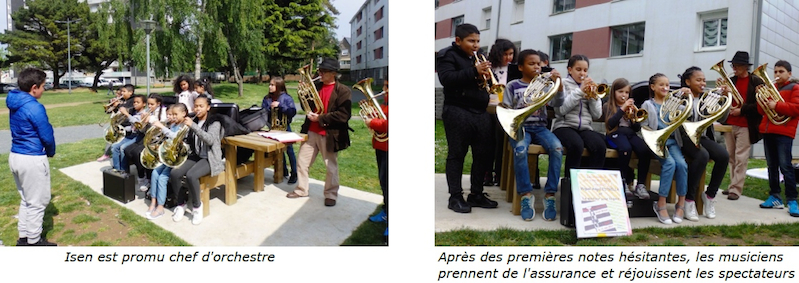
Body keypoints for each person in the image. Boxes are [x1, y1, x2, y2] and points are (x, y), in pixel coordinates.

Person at [436, 23, 498, 213]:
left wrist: (488, 76)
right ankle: (455, 197)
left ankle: (476, 194)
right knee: (457, 154)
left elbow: (490, 81)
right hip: (457, 110)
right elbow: (447, 79)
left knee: (483, 154)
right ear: (458, 40)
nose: (476, 45)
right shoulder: (447, 55)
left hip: (480, 111)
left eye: (478, 41)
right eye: (471, 41)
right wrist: (474, 71)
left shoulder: (479, 58)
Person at [504, 49, 563, 221]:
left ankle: (550, 194)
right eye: (531, 64)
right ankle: (526, 195)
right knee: (521, 150)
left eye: (538, 63)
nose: (536, 67)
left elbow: (558, 104)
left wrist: (559, 87)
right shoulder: (513, 85)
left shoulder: (546, 84)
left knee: (557, 148)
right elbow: (507, 109)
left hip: (540, 128)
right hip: (520, 127)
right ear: (521, 67)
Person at [287, 57, 352, 207]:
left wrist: (321, 118)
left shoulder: (343, 91)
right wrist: (301, 93)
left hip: (329, 134)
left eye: (323, 71)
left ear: (334, 73)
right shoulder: (315, 86)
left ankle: (331, 194)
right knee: (302, 162)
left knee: (331, 167)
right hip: (311, 132)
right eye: (319, 71)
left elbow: (343, 115)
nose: (320, 73)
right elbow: (306, 106)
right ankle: (302, 189)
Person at [7, 67, 56, 246]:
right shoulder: (34, 107)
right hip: (31, 158)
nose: (44, 90)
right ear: (34, 87)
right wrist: (50, 151)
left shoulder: (15, 101)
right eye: (43, 86)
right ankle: (34, 242)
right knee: (37, 202)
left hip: (16, 155)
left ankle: (24, 237)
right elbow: (46, 134)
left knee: (27, 199)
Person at [679, 67, 729, 221]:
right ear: (688, 82)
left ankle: (710, 195)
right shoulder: (680, 96)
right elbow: (678, 119)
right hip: (684, 137)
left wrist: (726, 99)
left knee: (723, 156)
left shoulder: (706, 98)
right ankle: (689, 199)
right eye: (698, 80)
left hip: (702, 137)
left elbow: (722, 118)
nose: (702, 83)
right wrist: (684, 98)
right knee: (702, 155)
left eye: (704, 80)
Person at [641, 73, 689, 225]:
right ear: (653, 87)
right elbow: (644, 126)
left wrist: (688, 97)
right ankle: (661, 203)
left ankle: (680, 203)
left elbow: (690, 113)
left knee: (682, 165)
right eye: (661, 85)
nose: (665, 87)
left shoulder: (674, 103)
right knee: (670, 164)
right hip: (656, 142)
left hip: (672, 142)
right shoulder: (648, 105)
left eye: (667, 85)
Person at [169, 96, 224, 225]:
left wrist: (193, 126)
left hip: (210, 157)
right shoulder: (194, 119)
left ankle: (197, 207)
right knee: (175, 173)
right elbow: (191, 140)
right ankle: (181, 204)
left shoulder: (214, 122)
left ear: (208, 107)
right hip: (195, 155)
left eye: (201, 106)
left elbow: (210, 140)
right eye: (196, 106)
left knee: (191, 175)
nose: (198, 109)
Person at [552, 54, 606, 178]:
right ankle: (570, 184)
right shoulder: (562, 84)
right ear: (569, 70)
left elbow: (597, 115)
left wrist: (594, 97)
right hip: (564, 126)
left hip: (585, 128)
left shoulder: (590, 86)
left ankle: (590, 183)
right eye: (578, 69)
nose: (582, 73)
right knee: (576, 145)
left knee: (599, 146)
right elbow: (561, 110)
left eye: (585, 70)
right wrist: (580, 92)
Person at [757, 60, 799, 216]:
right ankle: (775, 196)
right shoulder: (772, 88)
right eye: (775, 72)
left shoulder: (795, 88)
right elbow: (761, 111)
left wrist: (777, 106)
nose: (777, 74)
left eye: (781, 71)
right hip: (769, 131)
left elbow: (796, 108)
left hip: (784, 132)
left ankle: (792, 200)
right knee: (771, 166)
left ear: (789, 73)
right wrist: (761, 96)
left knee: (785, 166)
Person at [722, 51, 765, 200]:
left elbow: (761, 105)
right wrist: (723, 93)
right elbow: (723, 102)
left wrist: (741, 110)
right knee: (731, 157)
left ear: (745, 66)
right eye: (733, 66)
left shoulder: (756, 81)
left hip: (746, 124)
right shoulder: (731, 81)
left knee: (741, 157)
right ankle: (733, 185)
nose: (734, 68)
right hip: (729, 124)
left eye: (737, 66)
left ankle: (736, 189)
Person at [603, 78, 651, 200]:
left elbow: (636, 128)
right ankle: (623, 181)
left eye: (626, 92)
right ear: (614, 92)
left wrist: (634, 118)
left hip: (630, 134)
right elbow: (611, 124)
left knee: (644, 150)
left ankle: (640, 184)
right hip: (615, 133)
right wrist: (622, 109)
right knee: (625, 149)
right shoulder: (608, 106)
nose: (624, 95)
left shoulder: (632, 107)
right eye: (621, 92)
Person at [483, 39, 519, 187]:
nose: (509, 57)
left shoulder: (514, 69)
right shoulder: (490, 67)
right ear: (498, 54)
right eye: (505, 54)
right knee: (487, 142)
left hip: (505, 109)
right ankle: (486, 172)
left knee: (500, 144)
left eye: (511, 54)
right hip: (489, 107)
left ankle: (499, 173)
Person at [146, 103, 189, 220]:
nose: (173, 117)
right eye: (172, 114)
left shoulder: (185, 125)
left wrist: (162, 127)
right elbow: (167, 138)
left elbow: (176, 138)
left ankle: (160, 207)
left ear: (184, 114)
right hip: (169, 156)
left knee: (163, 177)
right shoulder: (173, 124)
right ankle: (153, 202)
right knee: (155, 172)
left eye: (176, 114)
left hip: (178, 158)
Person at [125, 93, 168, 191]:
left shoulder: (164, 112)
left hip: (158, 140)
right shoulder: (147, 112)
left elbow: (163, 126)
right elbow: (142, 131)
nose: (149, 106)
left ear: (158, 104)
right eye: (148, 104)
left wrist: (151, 120)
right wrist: (142, 124)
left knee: (138, 153)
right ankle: (142, 175)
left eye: (152, 104)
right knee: (128, 151)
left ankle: (145, 178)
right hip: (147, 138)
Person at [262, 76, 298, 184]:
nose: (270, 87)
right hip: (272, 128)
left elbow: (292, 111)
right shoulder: (267, 98)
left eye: (272, 85)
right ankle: (283, 171)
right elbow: (263, 111)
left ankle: (294, 173)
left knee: (289, 151)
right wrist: (269, 108)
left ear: (278, 86)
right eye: (270, 84)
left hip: (284, 128)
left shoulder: (286, 98)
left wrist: (280, 106)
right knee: (278, 151)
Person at [365, 77, 389, 236]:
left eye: (388, 87)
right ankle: (386, 211)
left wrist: (371, 122)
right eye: (384, 86)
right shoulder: (385, 105)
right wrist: (370, 114)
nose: (384, 89)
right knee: (384, 181)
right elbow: (379, 118)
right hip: (381, 147)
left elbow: (387, 124)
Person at [97, 87, 133, 162]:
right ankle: (107, 154)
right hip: (116, 122)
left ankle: (110, 156)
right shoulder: (120, 100)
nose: (119, 94)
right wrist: (112, 106)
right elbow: (111, 111)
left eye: (121, 92)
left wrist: (118, 105)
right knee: (110, 138)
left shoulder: (129, 101)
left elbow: (126, 111)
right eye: (118, 93)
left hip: (125, 125)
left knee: (116, 141)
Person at [112, 94, 146, 172]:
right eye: (134, 102)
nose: (135, 104)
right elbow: (131, 127)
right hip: (131, 135)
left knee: (123, 148)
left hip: (139, 136)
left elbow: (137, 124)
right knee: (114, 147)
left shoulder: (144, 114)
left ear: (144, 104)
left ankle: (125, 171)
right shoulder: (133, 112)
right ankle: (117, 169)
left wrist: (127, 114)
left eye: (138, 102)